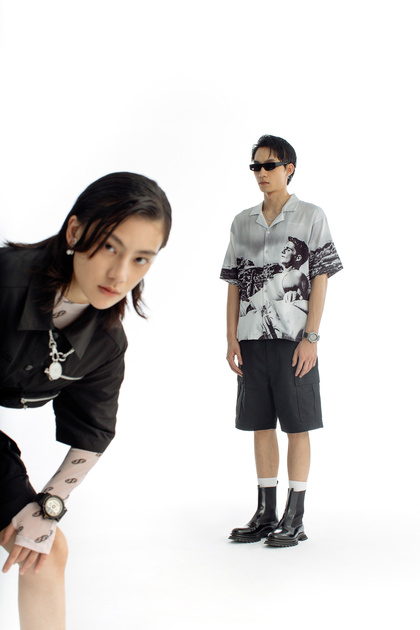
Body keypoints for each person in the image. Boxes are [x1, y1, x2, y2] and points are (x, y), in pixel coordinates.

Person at [0, 172, 172, 629]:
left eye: (141, 259)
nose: (121, 275)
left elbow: (92, 434)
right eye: (111, 247)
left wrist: (46, 510)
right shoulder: (5, 282)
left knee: (43, 551)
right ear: (75, 231)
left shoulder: (105, 343)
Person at [220, 135, 342, 547]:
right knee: (259, 423)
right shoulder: (242, 222)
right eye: (255, 166)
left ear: (289, 168)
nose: (261, 173)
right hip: (251, 339)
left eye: (269, 165)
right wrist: (231, 336)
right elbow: (234, 282)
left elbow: (320, 278)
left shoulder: (310, 216)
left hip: (293, 339)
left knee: (297, 424)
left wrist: (312, 337)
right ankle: (265, 512)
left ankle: (296, 516)